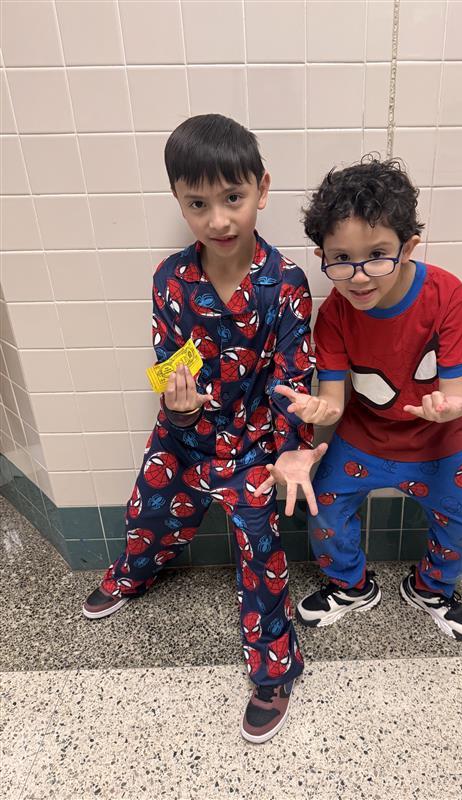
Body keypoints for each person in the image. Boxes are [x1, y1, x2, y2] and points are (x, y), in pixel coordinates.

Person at [81, 114, 326, 743]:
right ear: (180, 204)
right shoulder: (170, 280)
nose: (218, 219)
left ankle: (274, 668)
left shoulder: (287, 286)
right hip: (185, 439)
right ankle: (135, 572)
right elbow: (170, 367)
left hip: (252, 447)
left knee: (259, 551)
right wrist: (180, 407)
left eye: (233, 199)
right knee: (150, 510)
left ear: (261, 190)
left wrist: (293, 454)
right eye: (198, 204)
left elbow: (294, 378)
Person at [265, 157, 462, 642]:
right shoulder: (334, 317)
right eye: (341, 258)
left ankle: (432, 587)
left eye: (378, 254)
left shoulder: (447, 294)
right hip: (365, 437)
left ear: (408, 247)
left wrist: (448, 406)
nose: (359, 276)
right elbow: (333, 399)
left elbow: (455, 388)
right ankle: (350, 586)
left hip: (440, 441)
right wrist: (317, 410)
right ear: (323, 255)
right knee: (322, 506)